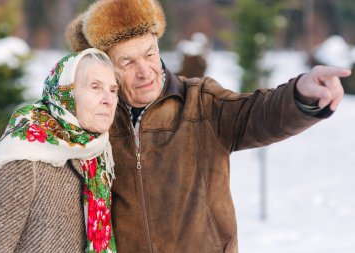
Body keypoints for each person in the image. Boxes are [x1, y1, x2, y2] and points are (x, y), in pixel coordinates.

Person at [66, 1, 351, 252]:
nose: (144, 71)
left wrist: (300, 94)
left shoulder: (200, 103)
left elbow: (258, 113)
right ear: (106, 67)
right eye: (126, 61)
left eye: (149, 54)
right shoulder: (97, 122)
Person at [0, 48, 118, 253]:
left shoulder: (99, 156)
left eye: (113, 90)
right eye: (95, 87)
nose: (108, 99)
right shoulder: (21, 158)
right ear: (64, 94)